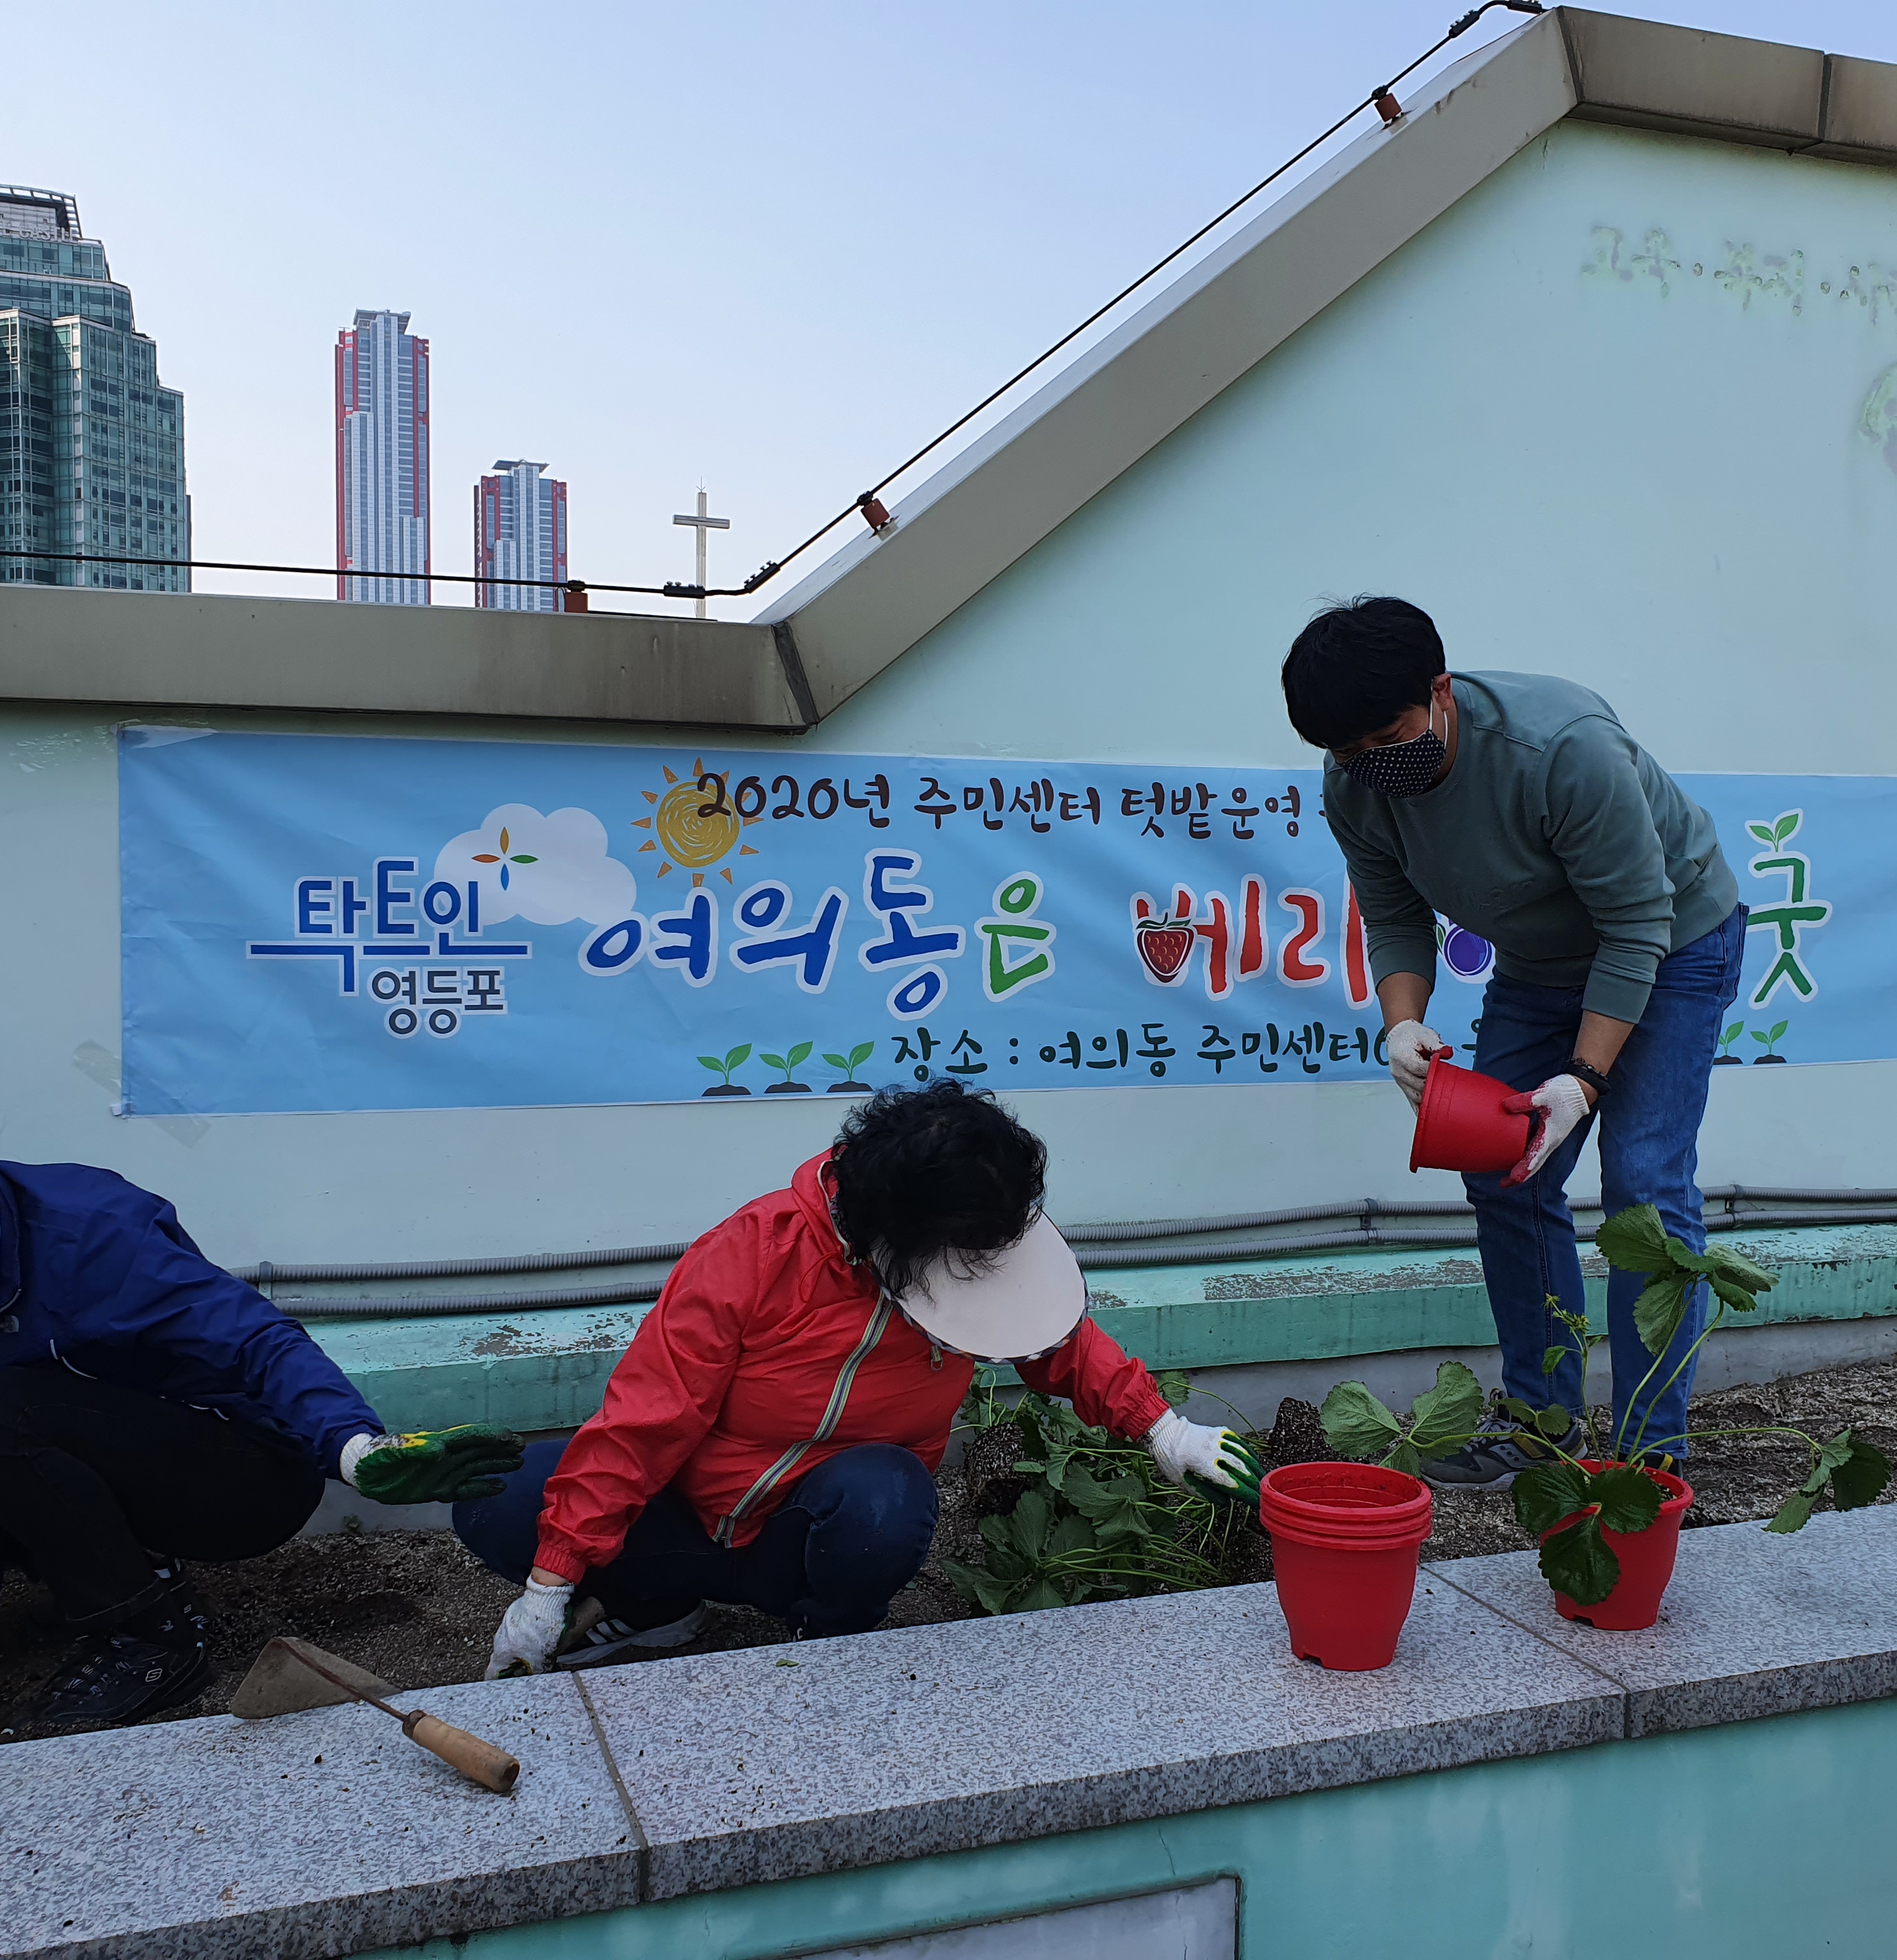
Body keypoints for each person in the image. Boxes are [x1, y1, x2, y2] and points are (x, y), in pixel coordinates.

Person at [0, 1076, 522, 1722]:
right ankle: (126, 1583)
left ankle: (155, 1644)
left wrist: (354, 1448)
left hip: (238, 1474)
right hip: (101, 1449)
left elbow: (254, 1339)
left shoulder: (90, 1231)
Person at [464, 1080, 1259, 1675]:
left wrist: (1164, 1429)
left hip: (807, 1534)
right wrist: (548, 1588)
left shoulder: (956, 1256)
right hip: (689, 1518)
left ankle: (830, 1638)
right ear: (903, 1234)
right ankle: (657, 1609)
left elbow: (1061, 1342)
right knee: (499, 1497)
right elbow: (645, 1424)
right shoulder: (754, 1257)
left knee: (886, 1496)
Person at [1282, 597, 1743, 1485]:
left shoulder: (1560, 750)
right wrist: (1404, 1023)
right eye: (1347, 753)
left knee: (1644, 1189)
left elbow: (1638, 921)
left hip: (1673, 939)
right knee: (1502, 1165)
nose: (1373, 765)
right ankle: (1543, 1424)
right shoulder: (1355, 790)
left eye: (1389, 735)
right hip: (1542, 960)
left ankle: (1650, 1456)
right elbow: (1394, 915)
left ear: (1441, 692)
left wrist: (1581, 1078)